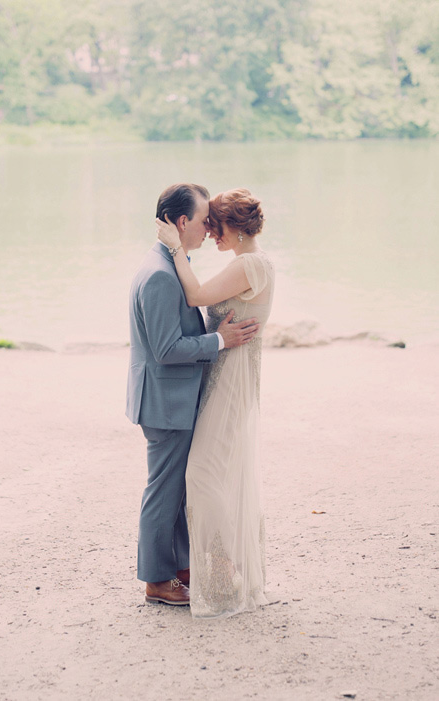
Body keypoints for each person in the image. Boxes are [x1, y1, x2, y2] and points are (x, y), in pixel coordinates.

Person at [126, 183, 260, 606]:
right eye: (204, 221)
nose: (208, 230)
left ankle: (182, 566)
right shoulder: (163, 277)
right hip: (167, 403)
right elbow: (166, 350)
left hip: (174, 399)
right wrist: (219, 341)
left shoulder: (166, 263)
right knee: (164, 491)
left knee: (180, 487)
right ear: (182, 222)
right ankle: (157, 580)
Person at [156, 187, 275, 618]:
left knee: (203, 473)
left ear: (235, 227)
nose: (210, 232)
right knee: (215, 473)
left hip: (232, 382)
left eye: (215, 225)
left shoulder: (249, 264)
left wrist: (175, 250)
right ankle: (231, 566)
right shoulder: (247, 263)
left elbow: (195, 296)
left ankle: (226, 570)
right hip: (224, 376)